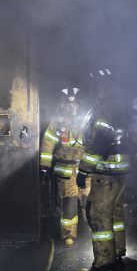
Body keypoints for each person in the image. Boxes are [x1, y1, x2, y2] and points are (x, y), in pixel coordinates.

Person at [76, 69, 132, 271]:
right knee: (114, 211)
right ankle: (117, 251)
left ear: (101, 85)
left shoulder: (106, 106)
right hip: (120, 168)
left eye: (95, 85)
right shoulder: (119, 104)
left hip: (106, 170)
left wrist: (84, 169)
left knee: (98, 213)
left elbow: (101, 139)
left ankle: (104, 262)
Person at [40, 87, 91, 245]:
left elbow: (98, 143)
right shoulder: (57, 122)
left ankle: (93, 229)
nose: (71, 107)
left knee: (89, 200)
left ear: (79, 105)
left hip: (86, 170)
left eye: (74, 104)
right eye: (68, 105)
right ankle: (69, 234)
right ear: (62, 106)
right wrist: (44, 167)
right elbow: (48, 144)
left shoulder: (88, 121)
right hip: (66, 171)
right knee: (69, 203)